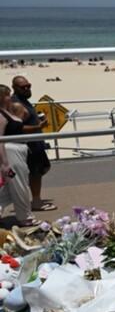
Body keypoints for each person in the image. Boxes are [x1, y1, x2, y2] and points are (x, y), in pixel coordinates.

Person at [10, 76, 55, 211]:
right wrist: (38, 127)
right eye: (23, 87)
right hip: (29, 145)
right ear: (15, 88)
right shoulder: (17, 104)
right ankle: (35, 201)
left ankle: (31, 198)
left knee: (43, 168)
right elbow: (17, 127)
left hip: (35, 143)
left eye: (28, 85)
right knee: (35, 172)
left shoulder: (24, 101)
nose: (27, 89)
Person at [0, 85, 35, 225]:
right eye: (8, 95)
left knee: (9, 189)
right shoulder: (1, 116)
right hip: (11, 153)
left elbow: (24, 114)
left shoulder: (7, 112)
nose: (11, 97)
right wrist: (4, 164)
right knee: (19, 185)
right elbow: (0, 140)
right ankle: (25, 217)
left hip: (17, 151)